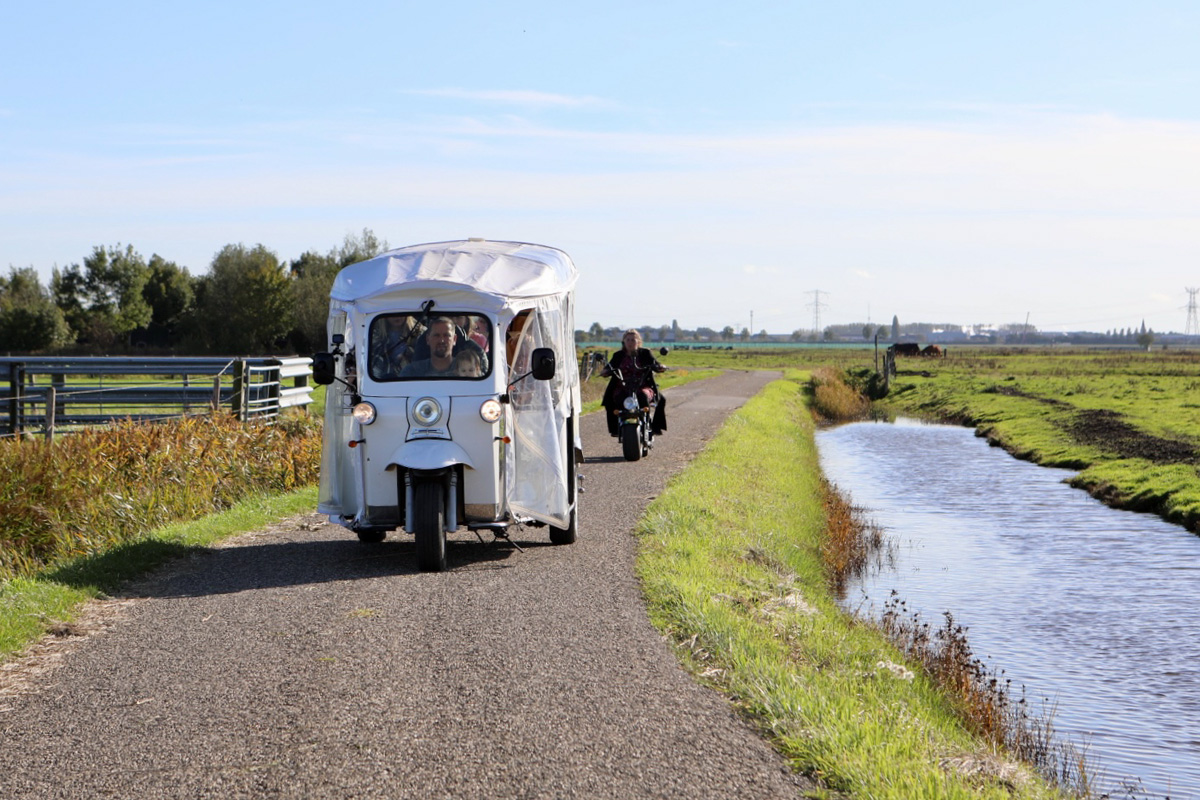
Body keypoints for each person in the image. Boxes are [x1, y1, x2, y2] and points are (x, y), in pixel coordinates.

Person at [600, 329, 667, 436]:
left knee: (656, 398)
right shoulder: (618, 355)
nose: (630, 342)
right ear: (624, 342)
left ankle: (653, 427)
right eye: (628, 340)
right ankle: (615, 429)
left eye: (633, 340)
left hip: (642, 386)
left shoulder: (645, 353)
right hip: (622, 387)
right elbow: (609, 367)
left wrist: (660, 367)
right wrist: (604, 371)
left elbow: (655, 364)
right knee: (610, 400)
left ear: (638, 341)